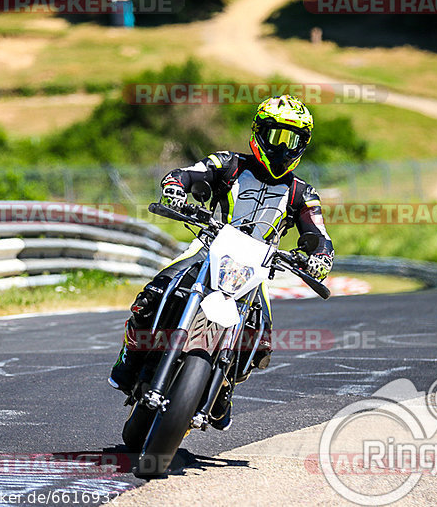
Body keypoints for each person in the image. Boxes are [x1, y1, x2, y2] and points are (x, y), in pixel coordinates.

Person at [109, 95, 333, 430]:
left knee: (261, 339)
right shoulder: (229, 164)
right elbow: (187, 174)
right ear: (259, 133)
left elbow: (318, 233)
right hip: (208, 247)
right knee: (153, 294)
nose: (282, 148)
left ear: (304, 145)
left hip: (256, 268)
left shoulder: (303, 192)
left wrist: (320, 257)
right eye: (276, 136)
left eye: (292, 140)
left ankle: (223, 385)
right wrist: (175, 188)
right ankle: (130, 357)